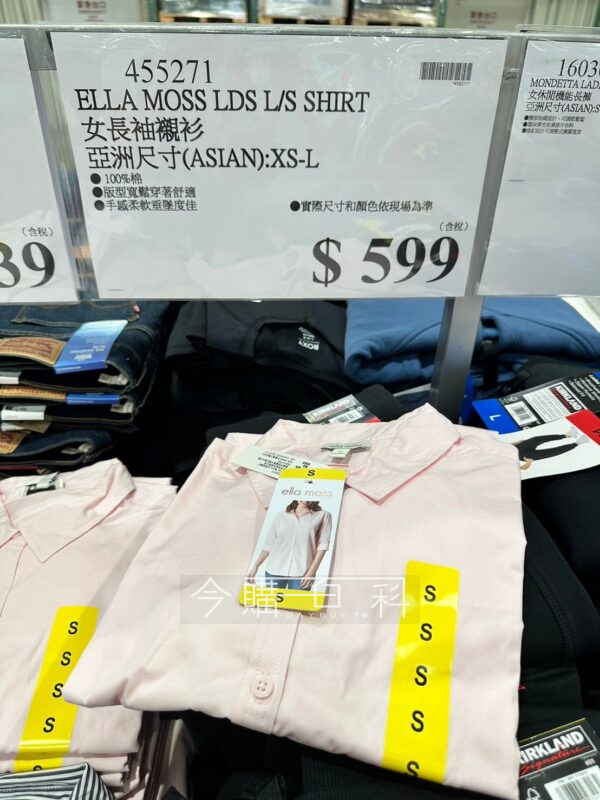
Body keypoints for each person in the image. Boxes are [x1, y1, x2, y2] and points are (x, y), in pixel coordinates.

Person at [246, 500, 332, 590]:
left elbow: (323, 545)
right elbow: (269, 544)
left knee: (296, 600)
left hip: (303, 571)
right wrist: (256, 566)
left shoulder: (323, 515)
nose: (305, 500)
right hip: (274, 569)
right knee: (274, 600)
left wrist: (313, 571)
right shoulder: (281, 516)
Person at [514, 430, 585, 471]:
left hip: (516, 447)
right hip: (524, 456)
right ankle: (578, 443)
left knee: (537, 439)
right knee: (552, 452)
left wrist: (515, 442)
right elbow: (521, 468)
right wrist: (528, 462)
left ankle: (568, 435)